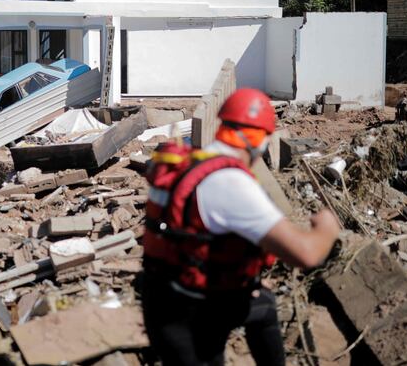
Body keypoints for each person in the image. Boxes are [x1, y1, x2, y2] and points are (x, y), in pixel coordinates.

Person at [142, 88, 341, 366]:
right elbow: (305, 254)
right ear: (259, 140)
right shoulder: (231, 183)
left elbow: (198, 239)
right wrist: (328, 228)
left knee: (262, 304)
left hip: (165, 296)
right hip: (191, 317)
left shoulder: (193, 162)